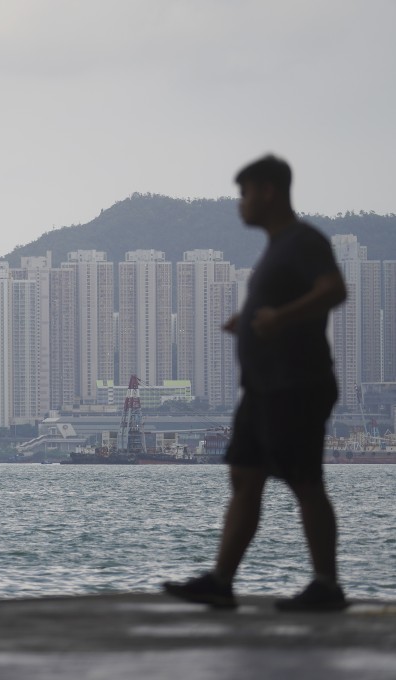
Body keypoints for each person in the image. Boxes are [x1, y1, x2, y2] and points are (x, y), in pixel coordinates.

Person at [163, 155, 348, 612]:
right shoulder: (276, 248)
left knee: (305, 480)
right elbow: (279, 305)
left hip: (296, 385)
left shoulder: (303, 241)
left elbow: (334, 289)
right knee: (244, 477)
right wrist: (245, 320)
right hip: (264, 388)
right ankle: (221, 581)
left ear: (268, 191)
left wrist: (278, 318)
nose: (239, 204)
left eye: (243, 193)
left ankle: (327, 585)